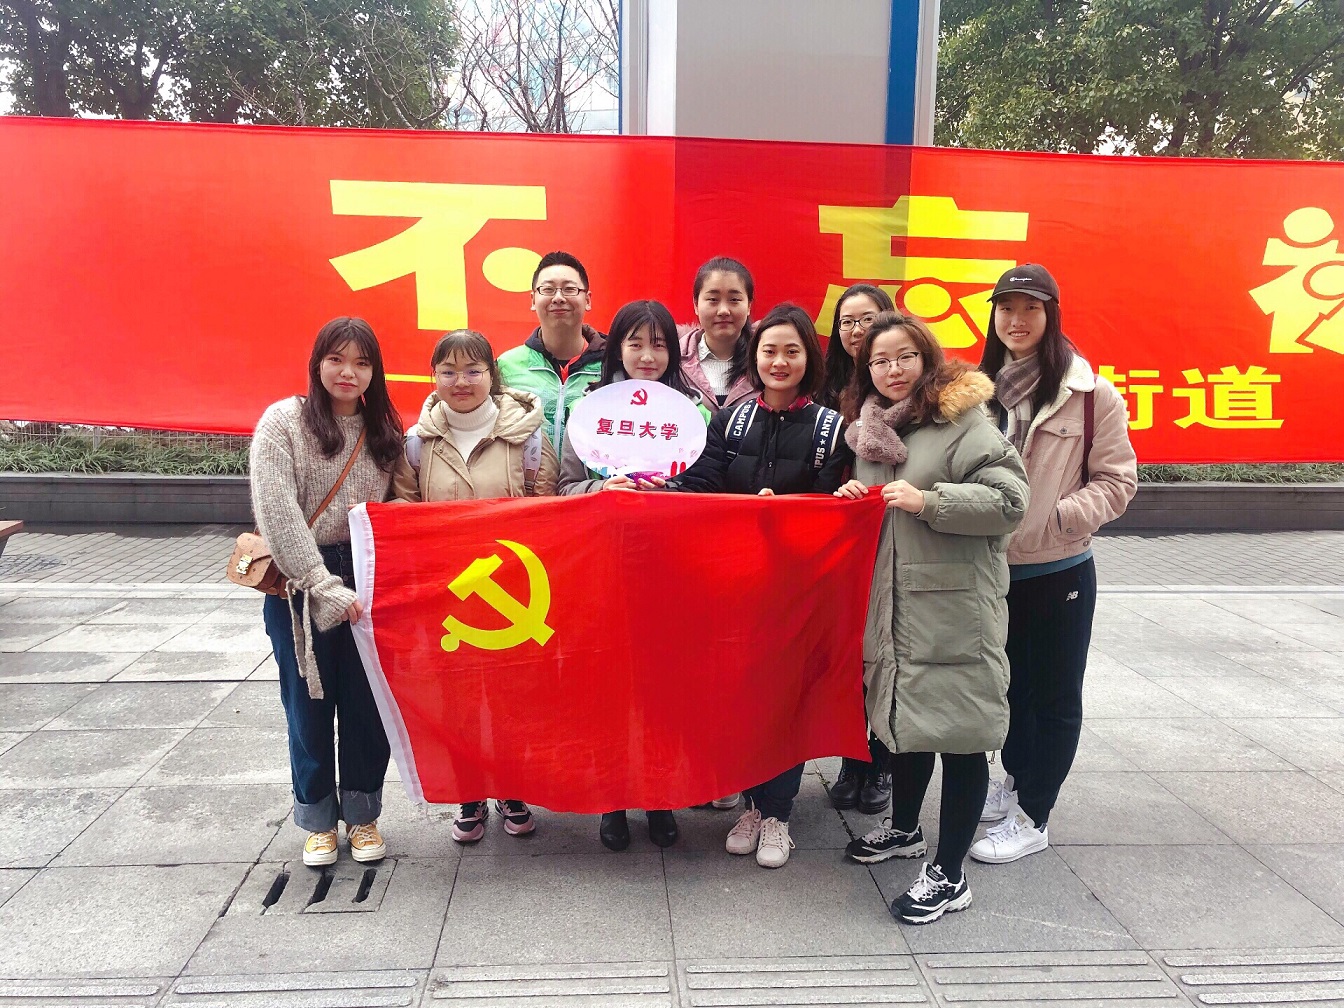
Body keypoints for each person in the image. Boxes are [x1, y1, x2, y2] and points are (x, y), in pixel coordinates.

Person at [834, 311, 1028, 925]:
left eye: (904, 357)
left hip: (954, 610)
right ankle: (905, 830)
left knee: (961, 737)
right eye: (879, 360)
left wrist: (930, 501)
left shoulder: (963, 421)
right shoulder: (870, 433)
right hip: (893, 607)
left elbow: (1010, 501)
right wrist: (851, 501)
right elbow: (879, 517)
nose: (892, 370)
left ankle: (949, 874)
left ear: (927, 359)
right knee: (907, 725)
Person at [668, 302, 853, 869]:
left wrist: (798, 511)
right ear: (755, 357)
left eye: (792, 351)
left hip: (797, 589)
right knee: (742, 697)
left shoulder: (831, 429)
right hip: (735, 585)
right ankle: (751, 803)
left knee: (785, 702)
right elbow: (703, 483)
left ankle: (778, 815)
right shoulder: (730, 421)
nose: (779, 361)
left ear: (809, 359)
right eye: (769, 350)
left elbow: (828, 504)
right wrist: (654, 493)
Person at [969, 264, 1137, 864]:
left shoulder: (1090, 394)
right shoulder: (977, 392)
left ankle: (1035, 815)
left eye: (1030, 308)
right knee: (1010, 688)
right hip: (991, 571)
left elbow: (1117, 481)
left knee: (1055, 696)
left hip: (1058, 569)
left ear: (1052, 314)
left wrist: (1057, 519)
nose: (1016, 320)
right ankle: (1017, 780)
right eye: (1006, 308)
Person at [251, 317, 416, 868]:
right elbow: (277, 512)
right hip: (301, 581)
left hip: (370, 575)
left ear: (375, 372)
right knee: (308, 705)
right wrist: (323, 586)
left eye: (362, 363)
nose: (349, 372)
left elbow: (402, 500)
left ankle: (364, 815)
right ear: (317, 363)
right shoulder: (284, 422)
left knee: (369, 705)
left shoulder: (384, 430)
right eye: (337, 360)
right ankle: (318, 821)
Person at [556, 299, 708, 851]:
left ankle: (661, 797)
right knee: (608, 688)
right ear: (617, 348)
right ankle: (613, 799)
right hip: (604, 570)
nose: (647, 356)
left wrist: (676, 492)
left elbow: (710, 488)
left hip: (669, 571)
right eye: (635, 343)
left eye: (659, 344)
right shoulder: (589, 410)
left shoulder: (693, 412)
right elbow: (562, 489)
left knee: (662, 689)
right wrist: (602, 488)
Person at [397, 328, 560, 844]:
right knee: (457, 697)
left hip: (512, 591)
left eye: (473, 370)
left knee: (512, 695)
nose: (461, 381)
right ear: (434, 377)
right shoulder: (417, 443)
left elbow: (548, 510)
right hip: (448, 595)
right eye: (448, 371)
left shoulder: (528, 436)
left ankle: (512, 787)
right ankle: (469, 791)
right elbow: (402, 512)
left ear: (493, 375)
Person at [818, 284, 899, 815]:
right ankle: (853, 758)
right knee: (849, 654)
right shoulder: (826, 389)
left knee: (886, 653)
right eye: (846, 321)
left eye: (866, 319)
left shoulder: (900, 387)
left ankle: (883, 762)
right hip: (839, 537)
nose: (856, 330)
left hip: (890, 532)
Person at [497, 251, 607, 450]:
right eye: (548, 289)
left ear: (588, 300)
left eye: (569, 289)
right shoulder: (506, 367)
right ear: (533, 300)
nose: (558, 298)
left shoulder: (612, 365)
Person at [679, 256, 758, 413]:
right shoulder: (674, 361)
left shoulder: (766, 360)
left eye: (734, 300)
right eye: (713, 299)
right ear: (696, 304)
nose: (723, 311)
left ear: (749, 305)